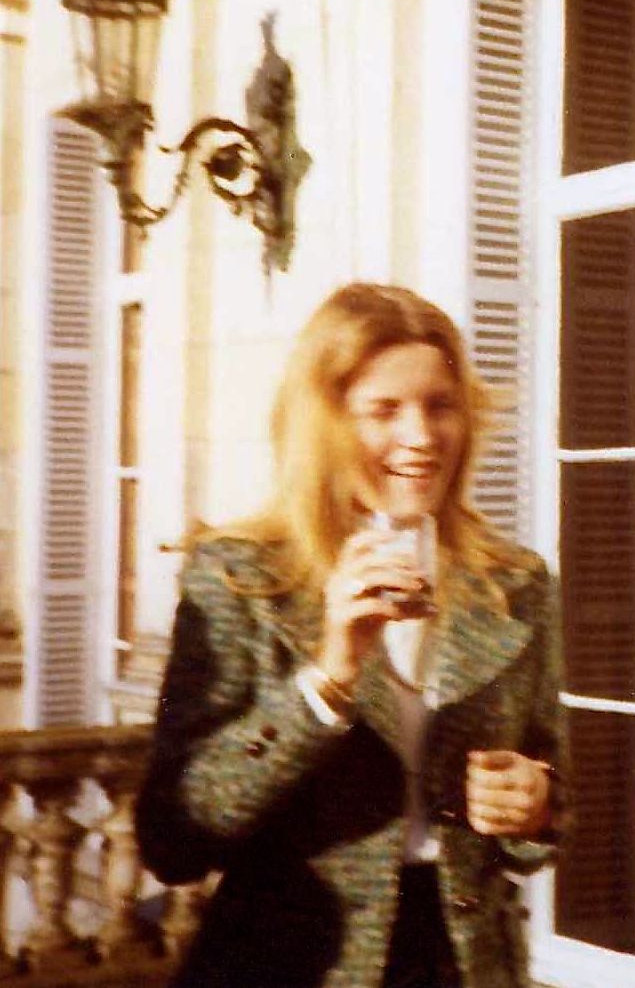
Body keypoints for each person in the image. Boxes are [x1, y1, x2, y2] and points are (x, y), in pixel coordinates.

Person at [137, 283, 569, 988]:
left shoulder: (515, 581)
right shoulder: (240, 575)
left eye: (440, 404)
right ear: (326, 424)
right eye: (385, 410)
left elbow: (547, 793)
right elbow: (173, 839)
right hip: (291, 964)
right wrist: (329, 675)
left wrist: (535, 804)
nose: (421, 436)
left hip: (462, 962)